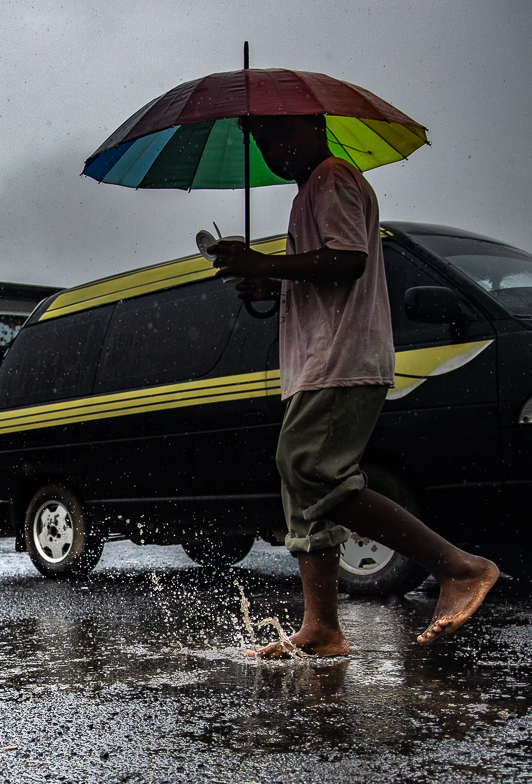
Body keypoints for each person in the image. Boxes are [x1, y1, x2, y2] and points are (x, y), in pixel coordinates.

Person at [209, 114, 499, 657]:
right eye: (262, 141)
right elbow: (321, 276)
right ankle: (321, 628)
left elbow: (348, 260)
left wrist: (264, 259)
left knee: (312, 469)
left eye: (281, 135)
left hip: (342, 356)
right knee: (303, 489)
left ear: (315, 126)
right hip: (316, 361)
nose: (273, 150)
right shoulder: (307, 195)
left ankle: (458, 567)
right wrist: (265, 280)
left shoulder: (332, 177)